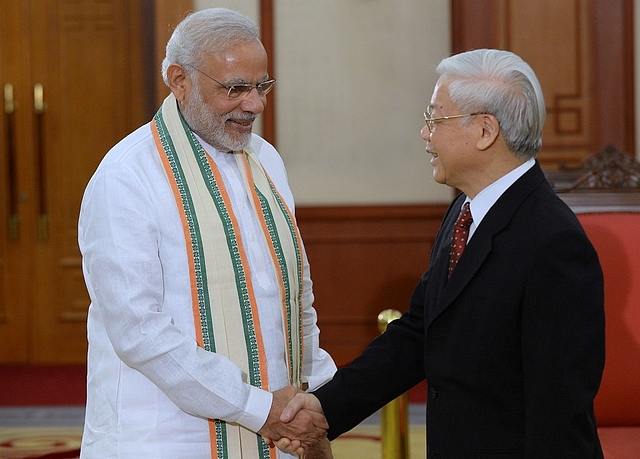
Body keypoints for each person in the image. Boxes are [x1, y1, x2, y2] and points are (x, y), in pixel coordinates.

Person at [275, 49, 606, 458]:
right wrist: (327, 406)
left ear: (485, 131)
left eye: (435, 118)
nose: (424, 133)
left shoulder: (554, 243)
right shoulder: (465, 211)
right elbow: (420, 333)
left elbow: (558, 412)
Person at [77, 8, 336, 458]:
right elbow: (138, 329)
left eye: (261, 87)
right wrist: (257, 408)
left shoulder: (265, 160)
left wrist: (317, 399)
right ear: (180, 81)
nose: (253, 104)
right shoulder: (126, 175)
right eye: (234, 89)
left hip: (277, 428)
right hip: (166, 437)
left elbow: (294, 295)